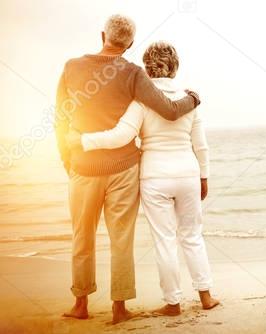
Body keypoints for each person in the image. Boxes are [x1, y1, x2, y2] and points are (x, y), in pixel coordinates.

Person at [54, 14, 201, 324]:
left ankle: (80, 304)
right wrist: (194, 99)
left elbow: (60, 119)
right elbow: (170, 110)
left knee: (82, 237)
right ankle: (119, 308)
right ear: (131, 43)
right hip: (124, 169)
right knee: (122, 239)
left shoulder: (71, 67)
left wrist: (70, 161)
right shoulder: (134, 74)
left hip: (83, 167)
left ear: (102, 34)